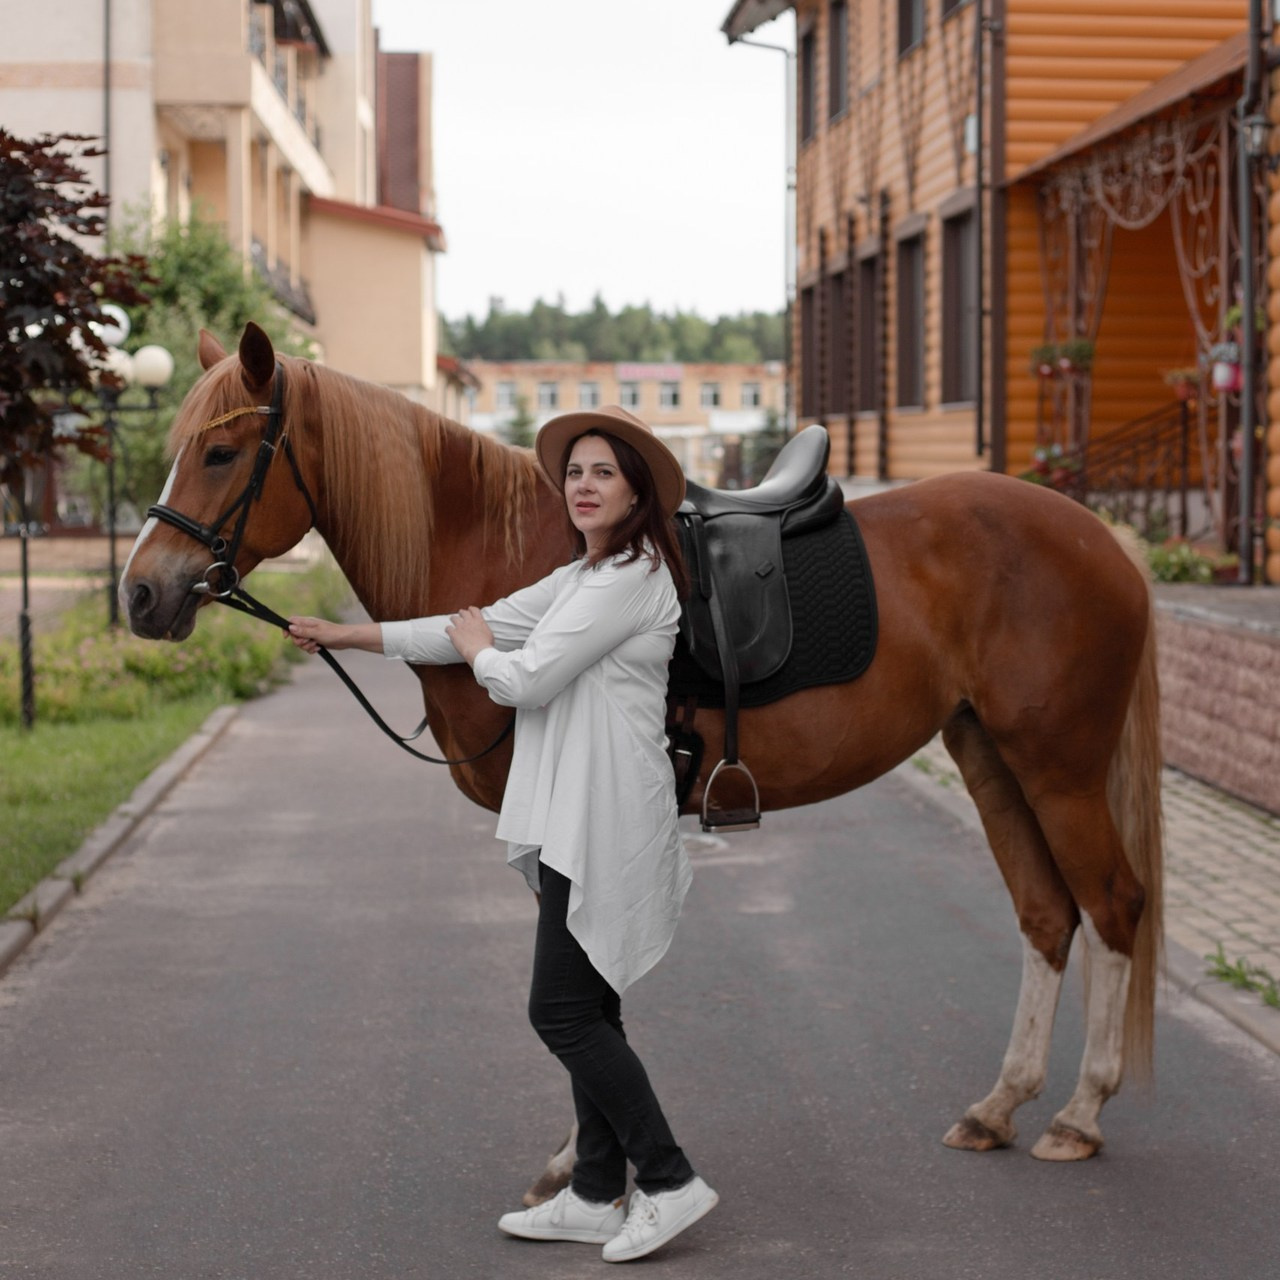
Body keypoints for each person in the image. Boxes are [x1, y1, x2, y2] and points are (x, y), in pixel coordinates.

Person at [286, 405, 718, 1264]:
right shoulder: (580, 577)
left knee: (560, 1012)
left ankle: (670, 1181)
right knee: (592, 1009)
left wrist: (483, 649)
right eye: (575, 473)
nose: (584, 486)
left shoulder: (633, 579)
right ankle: (594, 1194)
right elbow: (462, 627)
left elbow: (522, 678)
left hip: (606, 817)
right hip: (570, 816)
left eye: (603, 473)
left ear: (637, 493)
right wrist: (348, 635)